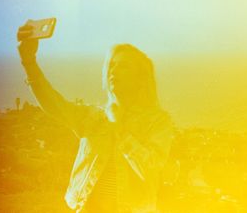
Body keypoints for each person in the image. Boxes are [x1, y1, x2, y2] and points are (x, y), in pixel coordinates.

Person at [17, 23, 175, 213]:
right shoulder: (93, 116)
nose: (113, 70)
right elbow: (53, 104)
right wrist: (29, 61)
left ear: (140, 77)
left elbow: (150, 170)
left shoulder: (158, 122)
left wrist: (119, 128)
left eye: (123, 66)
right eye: (112, 65)